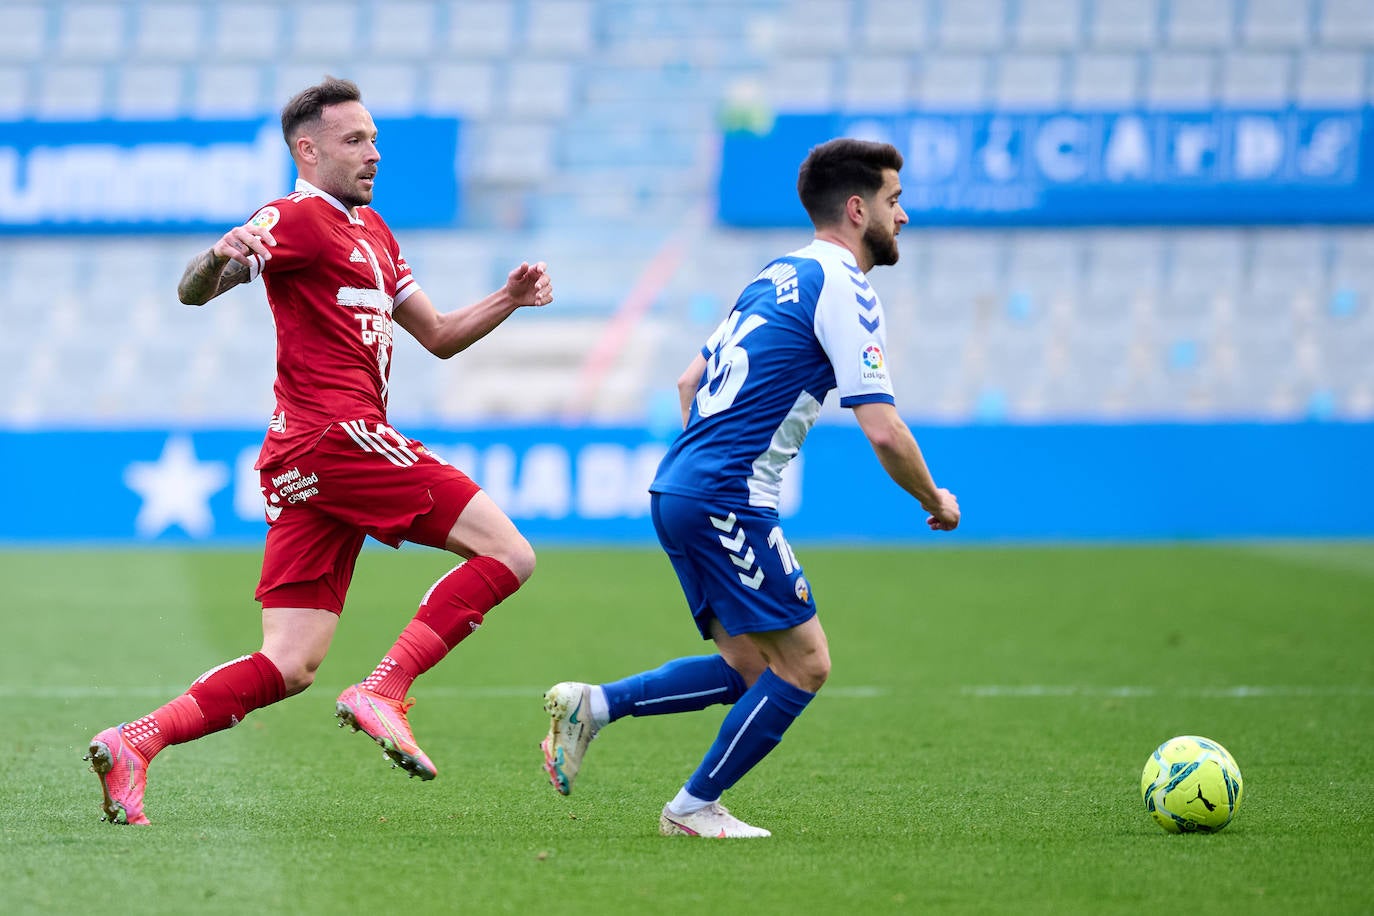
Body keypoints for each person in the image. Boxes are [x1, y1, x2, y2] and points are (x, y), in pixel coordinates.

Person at [84, 76, 554, 825]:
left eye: (375, 140)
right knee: (509, 553)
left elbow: (437, 336)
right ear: (308, 150)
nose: (373, 154)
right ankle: (385, 687)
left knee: (291, 662)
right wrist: (216, 255)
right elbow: (192, 292)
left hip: (302, 460)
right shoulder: (295, 218)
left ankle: (135, 742)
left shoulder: (376, 232)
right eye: (355, 140)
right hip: (336, 437)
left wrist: (508, 299)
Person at [539, 138, 960, 838]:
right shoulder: (846, 287)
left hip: (679, 488)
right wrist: (933, 498)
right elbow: (884, 431)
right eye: (895, 201)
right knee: (806, 665)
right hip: (726, 497)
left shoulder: (776, 273)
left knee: (747, 665)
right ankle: (692, 808)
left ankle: (596, 706)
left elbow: (689, 381)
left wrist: (705, 464)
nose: (904, 216)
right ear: (858, 210)